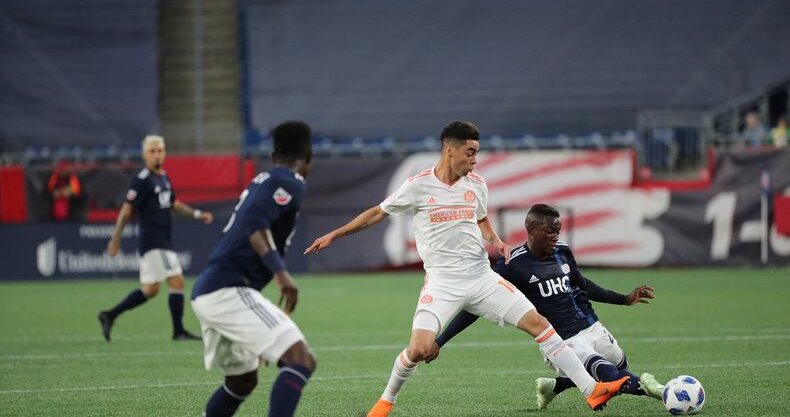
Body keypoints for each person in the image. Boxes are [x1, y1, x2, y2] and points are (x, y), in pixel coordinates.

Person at [304, 122, 628, 416]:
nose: (474, 160)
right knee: (418, 349)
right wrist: (335, 234)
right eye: (470, 152)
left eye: (477, 153)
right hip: (442, 283)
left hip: (481, 276)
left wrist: (496, 241)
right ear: (450, 150)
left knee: (540, 325)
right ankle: (385, 401)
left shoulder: (476, 184)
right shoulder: (418, 186)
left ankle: (592, 390)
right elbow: (377, 213)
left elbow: (481, 216)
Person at [430, 203, 666, 410]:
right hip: (560, 341)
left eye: (558, 231)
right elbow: (476, 305)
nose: (555, 236)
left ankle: (555, 386)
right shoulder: (512, 265)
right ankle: (664, 393)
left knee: (620, 364)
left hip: (591, 326)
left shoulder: (562, 252)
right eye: (550, 231)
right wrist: (439, 341)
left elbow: (583, 285)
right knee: (607, 374)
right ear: (531, 230)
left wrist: (624, 299)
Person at [190, 121, 316, 417]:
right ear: (309, 156)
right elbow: (252, 224)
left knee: (242, 380)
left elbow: (252, 221)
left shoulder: (264, 180)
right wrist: (281, 273)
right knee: (301, 359)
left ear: (273, 156)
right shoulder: (290, 181)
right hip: (228, 290)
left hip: (209, 291)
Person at [98, 135, 214, 341]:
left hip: (162, 240)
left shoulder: (163, 177)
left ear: (165, 152)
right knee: (177, 281)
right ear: (144, 155)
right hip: (154, 241)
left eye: (160, 150)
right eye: (152, 151)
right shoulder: (142, 181)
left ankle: (109, 315)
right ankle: (178, 331)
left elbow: (174, 204)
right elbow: (126, 211)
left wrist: (197, 214)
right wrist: (115, 239)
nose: (157, 154)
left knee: (151, 289)